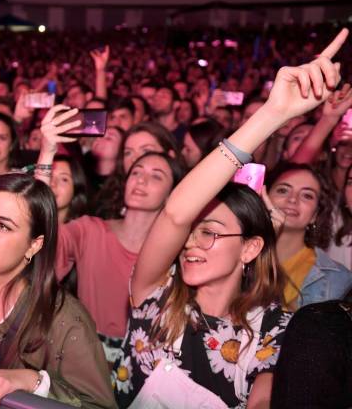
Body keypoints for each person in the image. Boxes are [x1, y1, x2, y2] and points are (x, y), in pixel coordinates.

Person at [110, 28, 349, 408]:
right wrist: (272, 113)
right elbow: (175, 213)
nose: (189, 243)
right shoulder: (155, 295)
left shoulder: (274, 328)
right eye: (191, 232)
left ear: (250, 247)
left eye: (210, 233)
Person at [0, 174, 117, 409]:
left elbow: (100, 405)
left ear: (34, 244)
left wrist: (34, 382)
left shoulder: (64, 320)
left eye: (3, 226)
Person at [40, 111, 186, 363]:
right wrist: (46, 153)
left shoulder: (180, 249)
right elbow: (38, 242)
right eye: (135, 168)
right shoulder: (90, 229)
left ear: (171, 191)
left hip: (149, 363)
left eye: (156, 175)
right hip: (85, 357)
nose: (140, 178)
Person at [267, 162, 352, 308]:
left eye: (307, 195)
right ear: (264, 197)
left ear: (315, 214)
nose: (293, 199)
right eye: (283, 190)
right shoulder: (235, 257)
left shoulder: (338, 279)